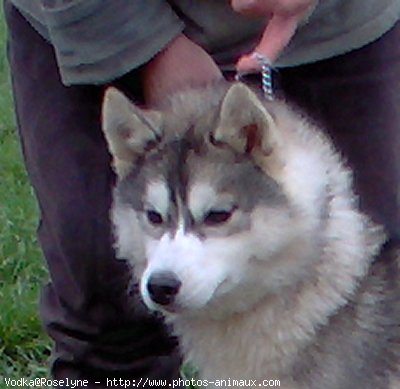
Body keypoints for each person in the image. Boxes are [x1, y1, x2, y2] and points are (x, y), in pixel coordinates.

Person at [4, 0, 400, 387]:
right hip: (92, 15)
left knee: (376, 290)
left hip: (330, 24)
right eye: (155, 219)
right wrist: (145, 47)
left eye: (216, 217)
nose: (169, 266)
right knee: (106, 322)